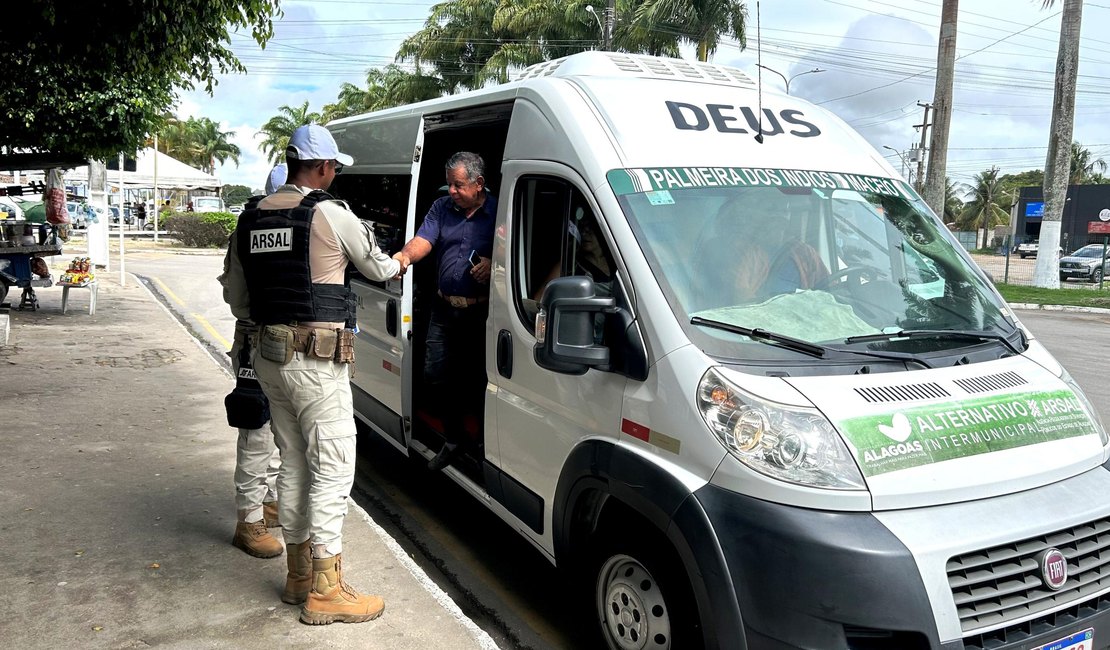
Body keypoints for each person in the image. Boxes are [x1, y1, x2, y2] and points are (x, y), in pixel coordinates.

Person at [222, 124, 400, 625]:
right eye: (334, 166)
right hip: (316, 362)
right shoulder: (330, 213)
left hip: (268, 359)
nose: (334, 173)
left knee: (295, 462)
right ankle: (326, 589)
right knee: (334, 465)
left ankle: (298, 576)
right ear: (323, 167)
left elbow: (237, 299)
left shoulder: (250, 219)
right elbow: (380, 268)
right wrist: (404, 258)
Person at [392, 152, 495, 472]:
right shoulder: (441, 207)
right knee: (435, 374)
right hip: (443, 309)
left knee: (478, 380)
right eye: (449, 184)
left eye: (458, 185)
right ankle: (453, 439)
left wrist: (495, 264)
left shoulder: (500, 210)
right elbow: (423, 239)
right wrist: (404, 257)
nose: (451, 191)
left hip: (481, 314)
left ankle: (483, 447)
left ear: (479, 183)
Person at [218, 165, 288, 560]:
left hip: (287, 346)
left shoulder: (298, 227)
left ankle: (270, 502)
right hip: (256, 343)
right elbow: (236, 298)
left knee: (283, 433)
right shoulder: (249, 231)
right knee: (256, 431)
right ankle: (248, 522)